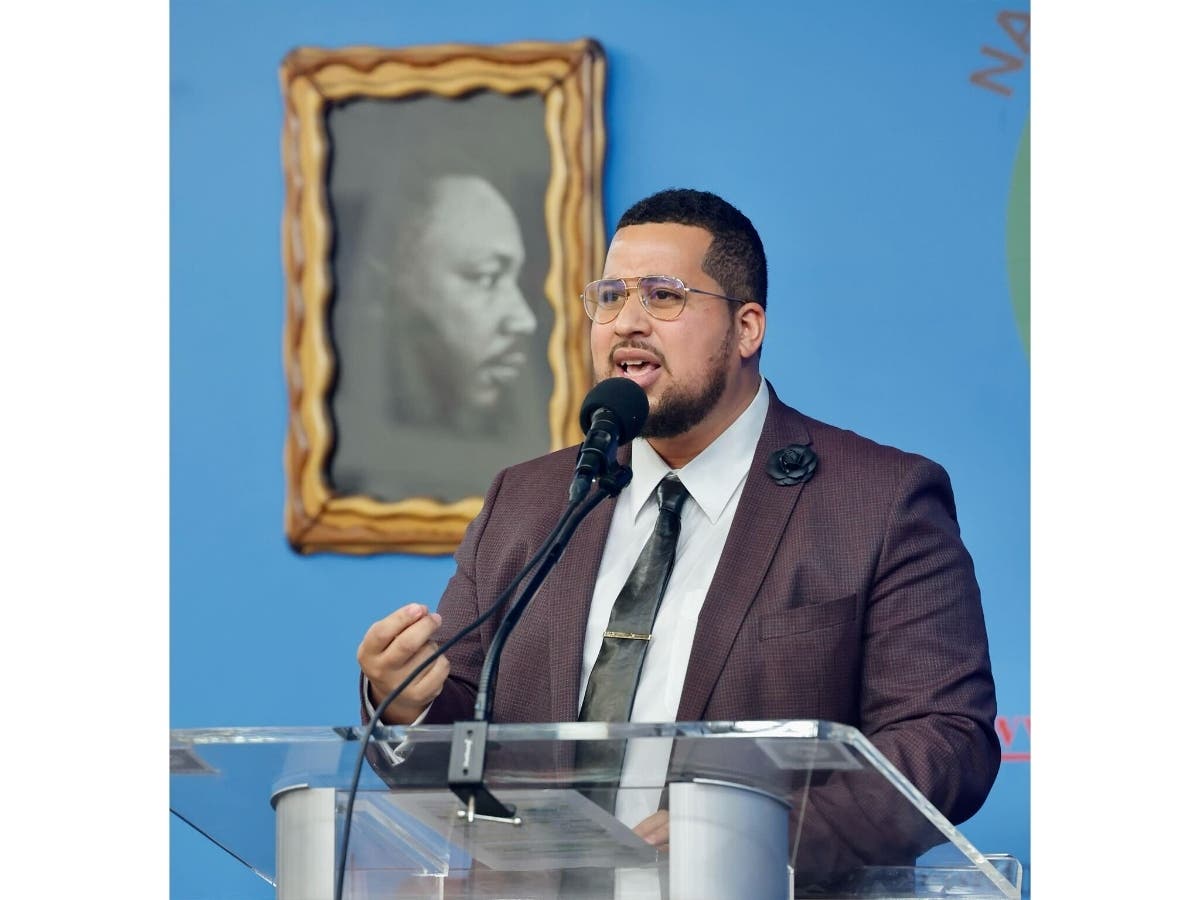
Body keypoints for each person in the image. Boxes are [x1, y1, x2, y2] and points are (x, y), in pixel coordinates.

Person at [357, 188, 1000, 888]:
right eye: (609, 297)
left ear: (747, 328)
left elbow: (947, 741)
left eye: (663, 296)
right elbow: (469, 729)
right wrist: (412, 703)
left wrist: (755, 830)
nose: (626, 322)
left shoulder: (877, 501)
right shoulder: (529, 500)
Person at [329, 171, 550, 502]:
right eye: (486, 277)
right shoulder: (350, 458)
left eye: (515, 280)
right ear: (385, 290)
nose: (524, 320)